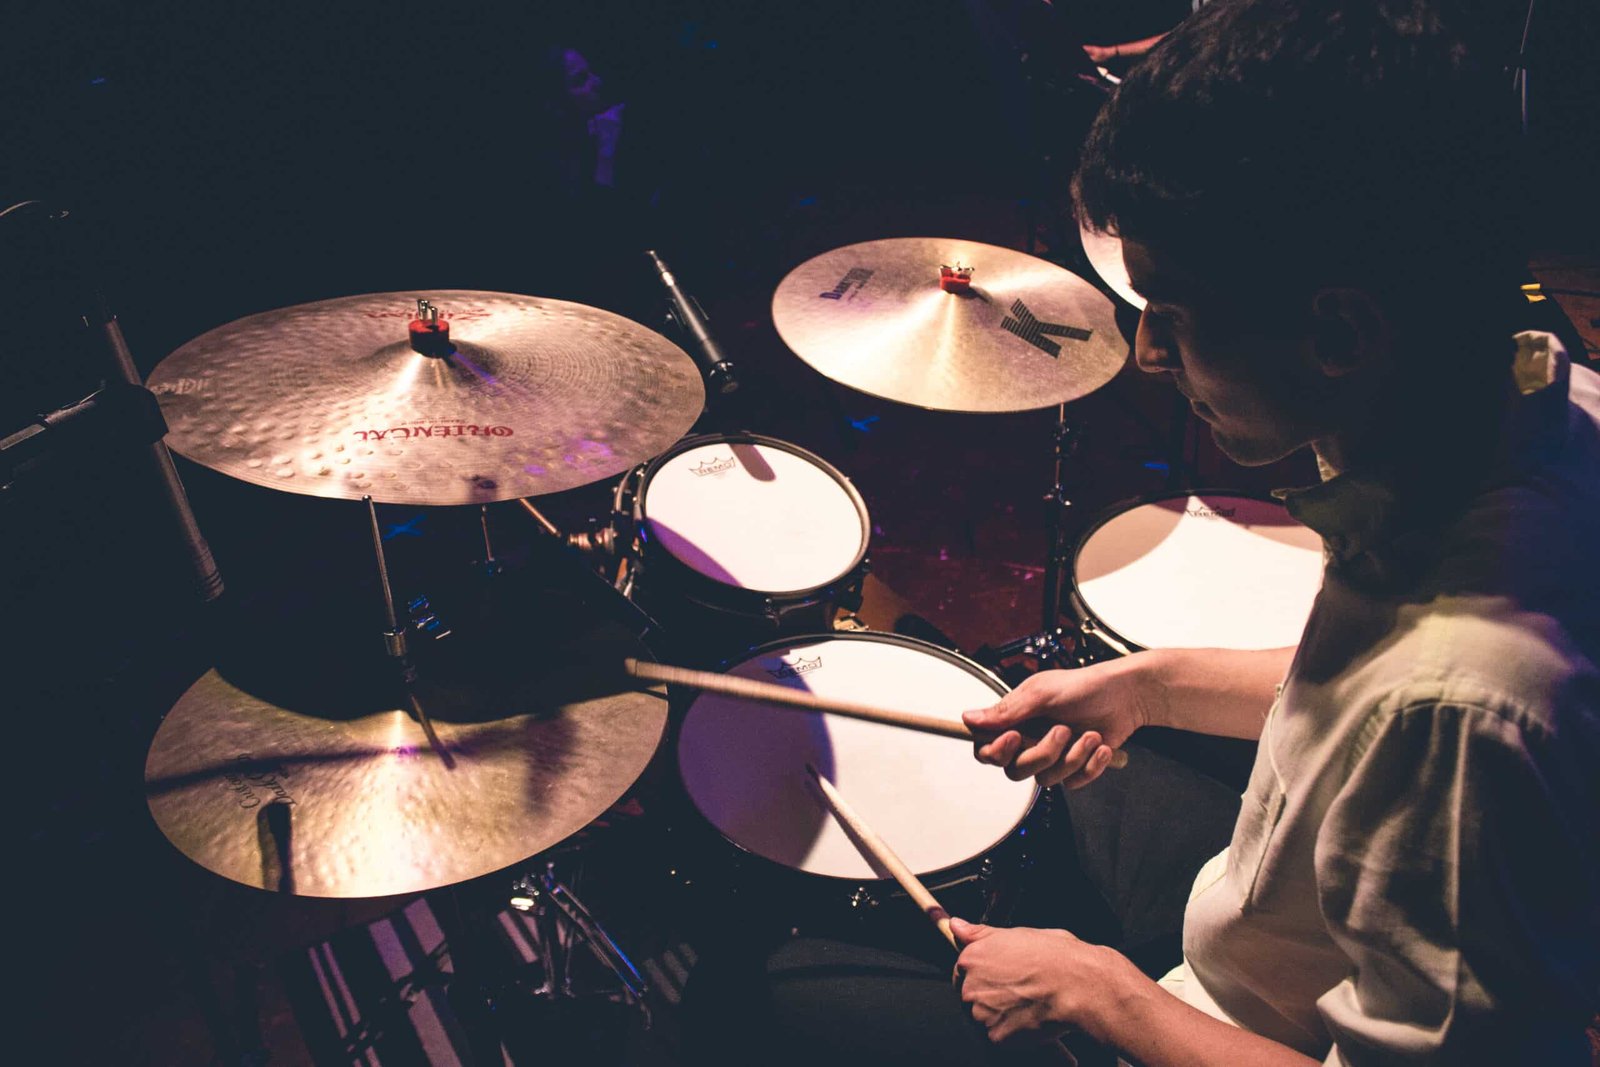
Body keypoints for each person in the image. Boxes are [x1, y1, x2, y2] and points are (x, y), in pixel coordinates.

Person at [681, 1, 1597, 1064]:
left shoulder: (1466, 708)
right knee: (1034, 797)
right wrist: (1152, 683)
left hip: (1246, 1023)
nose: (1149, 352)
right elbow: (1369, 700)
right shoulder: (1542, 401)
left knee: (770, 996)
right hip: (1266, 919)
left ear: (1341, 331)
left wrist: (1105, 995)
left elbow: (1424, 710)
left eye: (1172, 310)